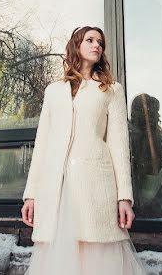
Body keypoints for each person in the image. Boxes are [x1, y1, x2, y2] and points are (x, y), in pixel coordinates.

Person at [21, 26, 147, 274]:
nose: (97, 45)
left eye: (100, 42)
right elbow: (42, 145)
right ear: (76, 45)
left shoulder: (111, 90)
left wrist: (124, 197)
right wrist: (31, 194)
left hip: (95, 186)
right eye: (90, 40)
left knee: (96, 256)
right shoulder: (53, 91)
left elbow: (119, 146)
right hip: (56, 188)